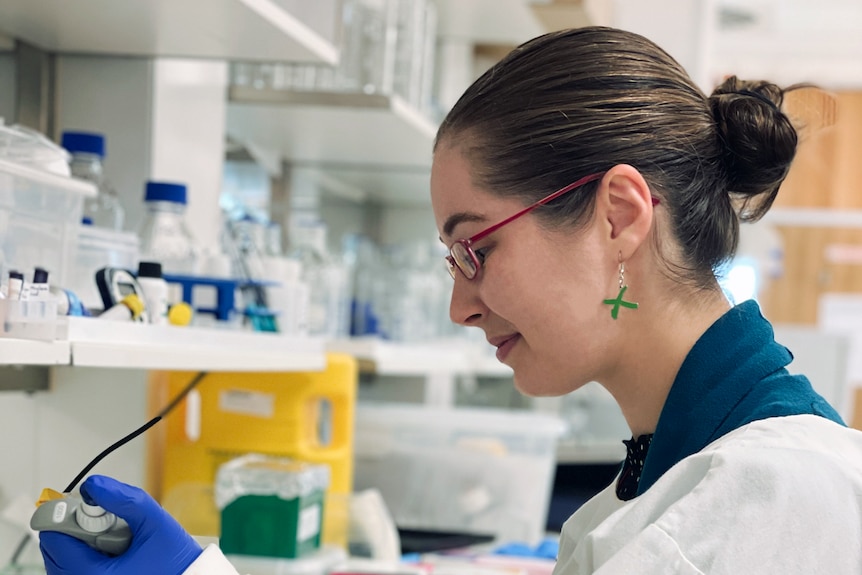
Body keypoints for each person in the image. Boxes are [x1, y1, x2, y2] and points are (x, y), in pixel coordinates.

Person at [37, 25, 862, 575]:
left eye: (476, 247)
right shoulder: (686, 479)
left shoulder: (761, 502)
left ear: (618, 216)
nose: (458, 306)